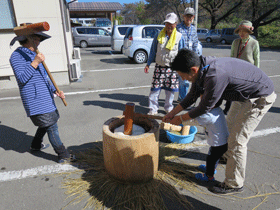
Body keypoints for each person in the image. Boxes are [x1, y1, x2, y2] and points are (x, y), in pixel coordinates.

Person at [164, 48, 276, 194]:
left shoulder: (215, 74)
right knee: (228, 128)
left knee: (237, 140)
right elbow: (192, 96)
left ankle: (234, 184)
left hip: (258, 97)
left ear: (192, 69)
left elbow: (204, 107)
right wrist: (172, 113)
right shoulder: (202, 67)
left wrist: (180, 119)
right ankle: (225, 157)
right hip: (243, 96)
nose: (183, 79)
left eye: (183, 76)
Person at [9, 30, 75, 163]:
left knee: (46, 124)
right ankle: (63, 155)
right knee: (51, 126)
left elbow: (44, 77)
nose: (39, 42)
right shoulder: (16, 56)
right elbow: (22, 79)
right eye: (37, 39)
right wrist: (35, 62)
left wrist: (55, 90)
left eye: (39, 39)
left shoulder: (35, 54)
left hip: (45, 97)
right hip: (35, 100)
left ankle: (35, 145)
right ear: (28, 39)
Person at [144, 13, 185, 115]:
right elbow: (153, 51)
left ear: (175, 24)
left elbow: (182, 54)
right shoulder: (158, 35)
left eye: (171, 23)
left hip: (173, 68)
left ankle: (168, 108)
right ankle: (153, 109)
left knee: (170, 90)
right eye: (167, 23)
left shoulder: (179, 37)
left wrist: (182, 69)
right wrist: (148, 64)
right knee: (155, 89)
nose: (168, 26)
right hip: (159, 66)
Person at [223, 20, 260, 115]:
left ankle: (243, 111)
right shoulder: (235, 42)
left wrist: (257, 74)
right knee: (231, 90)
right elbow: (231, 56)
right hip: (235, 70)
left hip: (248, 72)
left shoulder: (254, 43)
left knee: (244, 93)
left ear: (249, 32)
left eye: (244, 31)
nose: (241, 33)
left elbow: (257, 59)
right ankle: (227, 109)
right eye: (240, 31)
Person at [183, 105, 228, 182]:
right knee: (215, 158)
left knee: (211, 159)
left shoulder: (209, 115)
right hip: (221, 142)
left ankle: (209, 176)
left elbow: (193, 121)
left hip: (218, 144)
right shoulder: (217, 110)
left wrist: (179, 120)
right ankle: (211, 169)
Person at [176, 7, 199, 103]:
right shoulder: (178, 28)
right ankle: (183, 99)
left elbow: (195, 43)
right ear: (183, 16)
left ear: (193, 17)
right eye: (187, 16)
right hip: (181, 58)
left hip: (190, 58)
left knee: (188, 80)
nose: (189, 18)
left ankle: (182, 98)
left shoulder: (193, 29)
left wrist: (195, 58)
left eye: (191, 16)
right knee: (183, 80)